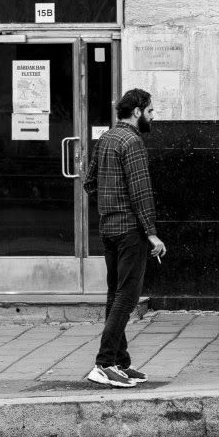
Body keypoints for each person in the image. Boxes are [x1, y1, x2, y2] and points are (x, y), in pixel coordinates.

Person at [83, 88, 167, 388]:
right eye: (150, 110)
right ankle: (104, 363)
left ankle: (120, 361)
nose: (153, 116)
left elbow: (89, 183)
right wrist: (152, 233)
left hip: (108, 229)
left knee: (115, 295)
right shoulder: (132, 142)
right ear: (137, 111)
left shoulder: (106, 138)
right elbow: (140, 192)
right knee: (127, 297)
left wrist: (110, 205)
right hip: (130, 230)